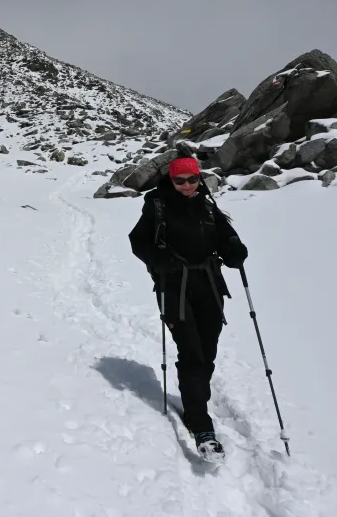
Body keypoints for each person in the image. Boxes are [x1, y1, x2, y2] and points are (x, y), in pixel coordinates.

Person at [127, 155, 248, 460]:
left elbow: (225, 235)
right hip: (175, 289)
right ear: (171, 179)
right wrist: (160, 260)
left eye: (192, 179)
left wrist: (234, 248)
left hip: (209, 286)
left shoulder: (206, 203)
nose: (186, 185)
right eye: (179, 180)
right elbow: (138, 241)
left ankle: (196, 402)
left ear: (199, 178)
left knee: (207, 351)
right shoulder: (157, 204)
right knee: (192, 352)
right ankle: (199, 420)